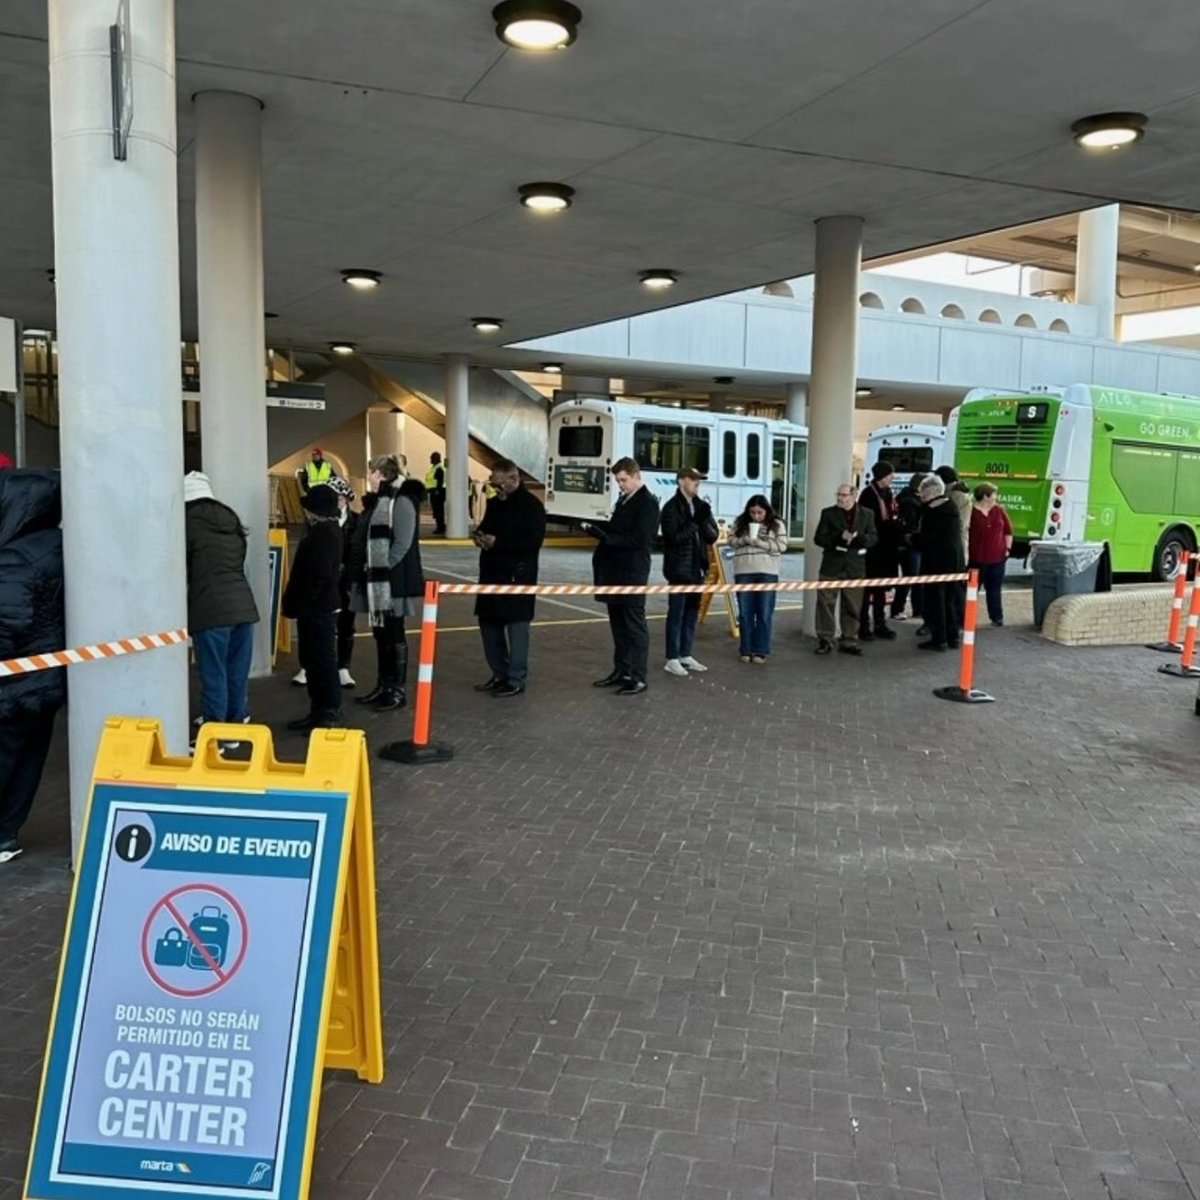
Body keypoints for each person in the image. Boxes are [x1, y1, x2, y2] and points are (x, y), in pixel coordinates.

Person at [0, 469, 64, 863]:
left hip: (12, 683)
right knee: (28, 758)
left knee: (7, 756)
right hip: (47, 678)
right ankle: (6, 834)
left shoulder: (15, 557)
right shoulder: (58, 545)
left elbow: (6, 623)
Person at [183, 472, 261, 746]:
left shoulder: (186, 522)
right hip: (243, 606)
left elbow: (183, 567)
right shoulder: (231, 519)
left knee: (213, 672)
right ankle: (235, 729)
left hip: (211, 609)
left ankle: (214, 733)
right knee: (236, 671)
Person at [351, 455, 425, 711]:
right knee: (381, 634)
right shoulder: (381, 501)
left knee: (394, 633)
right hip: (379, 580)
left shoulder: (401, 502)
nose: (368, 477)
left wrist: (379, 566)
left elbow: (402, 544)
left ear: (382, 474)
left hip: (393, 581)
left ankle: (397, 690)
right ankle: (383, 685)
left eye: (371, 472)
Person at [584, 457, 660, 696]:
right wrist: (599, 529)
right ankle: (622, 670)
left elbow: (640, 540)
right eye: (618, 481)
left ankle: (638, 676)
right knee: (618, 624)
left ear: (637, 477)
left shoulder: (647, 503)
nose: (621, 485)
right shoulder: (625, 500)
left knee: (633, 625)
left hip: (631, 572)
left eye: (624, 480)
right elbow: (619, 529)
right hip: (616, 571)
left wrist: (606, 537)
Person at [472, 459, 546, 698]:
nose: (495, 489)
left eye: (498, 484)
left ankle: (515, 678)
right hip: (491, 573)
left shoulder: (532, 506)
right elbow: (485, 526)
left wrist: (499, 543)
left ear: (513, 479)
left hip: (517, 576)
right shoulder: (495, 504)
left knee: (517, 629)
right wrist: (480, 536)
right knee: (489, 625)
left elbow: (533, 543)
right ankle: (498, 673)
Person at [282, 486, 344, 731]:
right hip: (319, 607)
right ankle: (320, 711)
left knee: (320, 660)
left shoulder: (323, 534)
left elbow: (317, 575)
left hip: (316, 608)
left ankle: (327, 712)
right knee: (316, 659)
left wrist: (301, 601)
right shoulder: (330, 531)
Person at [291, 477, 359, 690]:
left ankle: (342, 667)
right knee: (310, 626)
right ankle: (307, 666)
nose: (335, 501)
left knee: (345, 623)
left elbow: (357, 553)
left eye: (339, 497)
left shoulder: (355, 522)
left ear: (346, 499)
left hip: (343, 582)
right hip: (323, 585)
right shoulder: (315, 523)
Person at [659, 467, 719, 677]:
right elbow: (672, 538)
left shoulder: (701, 506)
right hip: (678, 569)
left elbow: (713, 536)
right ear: (680, 481)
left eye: (698, 479)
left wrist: (702, 521)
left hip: (697, 568)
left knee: (692, 612)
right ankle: (672, 657)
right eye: (693, 479)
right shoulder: (670, 508)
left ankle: (685, 653)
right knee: (676, 613)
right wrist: (694, 523)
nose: (697, 483)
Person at [813, 483, 877, 656]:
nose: (840, 498)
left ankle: (849, 639)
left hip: (855, 566)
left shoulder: (867, 514)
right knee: (825, 604)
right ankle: (825, 639)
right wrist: (837, 539)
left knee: (853, 605)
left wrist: (862, 539)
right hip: (832, 565)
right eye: (838, 495)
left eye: (844, 495)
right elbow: (819, 538)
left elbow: (874, 537)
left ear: (854, 495)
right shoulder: (828, 513)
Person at [727, 494, 787, 663]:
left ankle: (761, 650)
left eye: (760, 513)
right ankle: (745, 649)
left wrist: (762, 543)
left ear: (767, 511)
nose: (756, 516)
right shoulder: (740, 523)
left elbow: (782, 546)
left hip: (767, 571)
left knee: (764, 611)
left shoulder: (777, 525)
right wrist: (743, 540)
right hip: (744, 570)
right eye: (753, 512)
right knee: (745, 613)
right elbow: (730, 541)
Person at [915, 474, 966, 652]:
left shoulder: (932, 511)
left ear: (930, 493)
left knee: (936, 601)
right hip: (955, 561)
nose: (921, 497)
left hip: (936, 563)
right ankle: (953, 637)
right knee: (950, 601)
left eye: (922, 494)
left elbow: (926, 539)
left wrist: (909, 539)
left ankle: (939, 639)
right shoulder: (951, 507)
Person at [858, 461, 901, 641]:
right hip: (873, 550)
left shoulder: (888, 493)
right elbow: (869, 523)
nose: (893, 478)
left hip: (887, 549)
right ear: (882, 476)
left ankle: (880, 623)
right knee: (868, 589)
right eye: (890, 475)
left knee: (881, 588)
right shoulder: (868, 495)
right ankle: (863, 626)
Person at [969, 483, 1013, 627]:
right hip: (976, 558)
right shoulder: (971, 512)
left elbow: (1008, 531)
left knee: (994, 589)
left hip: (998, 558)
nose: (996, 497)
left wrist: (1007, 549)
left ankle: (997, 617)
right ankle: (967, 617)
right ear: (985, 496)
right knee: (971, 589)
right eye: (994, 494)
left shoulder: (999, 511)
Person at [892, 471, 928, 626]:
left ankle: (911, 609)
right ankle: (900, 609)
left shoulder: (903, 497)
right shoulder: (912, 502)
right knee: (912, 577)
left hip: (904, 544)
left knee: (912, 577)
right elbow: (913, 526)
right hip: (911, 545)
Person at [425, 451, 447, 536]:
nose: (430, 459)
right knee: (436, 510)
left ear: (436, 459)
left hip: (437, 492)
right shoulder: (434, 468)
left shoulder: (439, 468)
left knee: (438, 510)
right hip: (433, 491)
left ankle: (440, 527)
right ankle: (440, 526)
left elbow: (440, 480)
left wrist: (437, 490)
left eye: (431, 458)